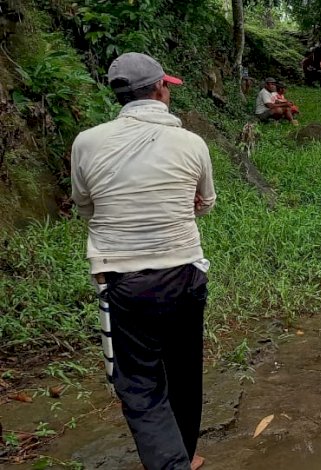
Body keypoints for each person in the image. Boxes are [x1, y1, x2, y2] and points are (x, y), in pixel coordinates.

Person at [70, 52, 215, 470]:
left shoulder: (87, 141)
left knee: (139, 383)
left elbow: (85, 205)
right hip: (184, 272)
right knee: (185, 372)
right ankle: (180, 459)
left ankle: (173, 461)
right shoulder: (191, 142)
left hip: (123, 279)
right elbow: (205, 204)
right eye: (167, 86)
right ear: (159, 89)